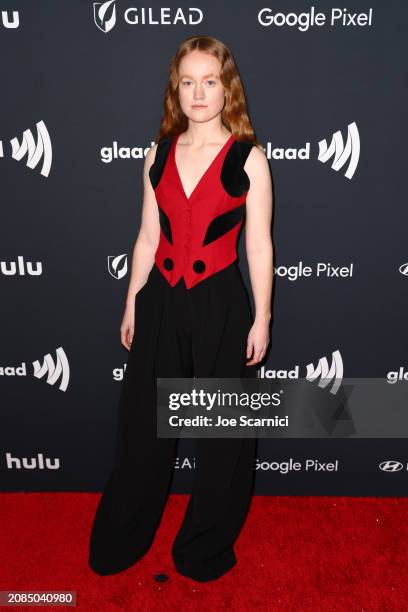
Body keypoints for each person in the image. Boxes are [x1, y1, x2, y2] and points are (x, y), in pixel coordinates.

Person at [88, 35, 273, 583]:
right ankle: (126, 533)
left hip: (221, 303)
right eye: (187, 81)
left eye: (209, 81)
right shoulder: (158, 153)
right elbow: (147, 238)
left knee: (222, 439)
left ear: (226, 87)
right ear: (176, 88)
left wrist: (262, 317)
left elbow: (259, 246)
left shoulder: (248, 156)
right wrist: (131, 305)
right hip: (161, 301)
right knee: (143, 428)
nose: (198, 92)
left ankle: (203, 544)